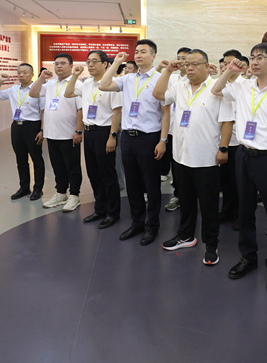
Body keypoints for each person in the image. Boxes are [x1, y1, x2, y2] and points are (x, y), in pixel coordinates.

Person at [211, 43, 267, 294]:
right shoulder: (243, 86)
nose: (255, 61)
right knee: (245, 210)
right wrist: (230, 70)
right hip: (244, 155)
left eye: (261, 57)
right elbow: (216, 89)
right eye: (252, 57)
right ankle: (248, 257)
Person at [153, 49, 234, 265]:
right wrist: (168, 71)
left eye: (195, 64)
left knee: (208, 206)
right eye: (187, 64)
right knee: (185, 200)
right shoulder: (180, 87)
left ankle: (211, 244)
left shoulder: (218, 88)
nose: (189, 68)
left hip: (206, 158)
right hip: (181, 155)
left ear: (207, 66)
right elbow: (158, 94)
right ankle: (186, 236)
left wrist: (224, 148)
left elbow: (227, 121)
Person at [98, 40, 169, 246]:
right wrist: (116, 62)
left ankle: (152, 226)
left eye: (143, 52)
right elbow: (103, 85)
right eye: (136, 52)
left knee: (151, 184)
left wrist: (163, 140)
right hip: (128, 138)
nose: (138, 55)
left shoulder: (160, 78)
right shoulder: (128, 79)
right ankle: (137, 222)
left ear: (153, 56)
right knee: (133, 184)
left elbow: (166, 113)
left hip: (150, 138)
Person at [64, 50, 122, 229]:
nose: (90, 65)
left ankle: (113, 213)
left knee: (107, 174)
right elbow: (68, 93)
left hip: (105, 132)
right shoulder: (87, 83)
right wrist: (74, 76)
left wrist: (112, 136)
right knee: (93, 173)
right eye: (88, 61)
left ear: (105, 64)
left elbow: (117, 112)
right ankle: (100, 209)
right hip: (89, 132)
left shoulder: (112, 84)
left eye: (94, 61)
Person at [28, 54, 84, 212]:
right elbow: (33, 93)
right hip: (52, 133)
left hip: (69, 134)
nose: (58, 66)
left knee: (72, 167)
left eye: (63, 63)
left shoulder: (77, 84)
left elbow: (81, 109)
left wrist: (78, 130)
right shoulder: (50, 84)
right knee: (57, 166)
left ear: (71, 66)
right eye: (56, 63)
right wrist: (41, 77)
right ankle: (61, 193)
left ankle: (74, 195)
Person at [0, 63, 45, 201]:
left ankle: (38, 189)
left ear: (32, 74)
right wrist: (0, 81)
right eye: (19, 72)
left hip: (33, 126)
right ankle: (24, 187)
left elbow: (43, 111)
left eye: (25, 72)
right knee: (20, 159)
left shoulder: (38, 89)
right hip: (17, 127)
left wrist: (42, 130)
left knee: (36, 159)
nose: (21, 75)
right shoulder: (13, 89)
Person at [163, 47, 191, 212]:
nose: (180, 61)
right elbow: (161, 96)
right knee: (176, 166)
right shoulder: (172, 78)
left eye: (184, 58)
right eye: (178, 57)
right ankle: (178, 195)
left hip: (190, 130)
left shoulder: (194, 79)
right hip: (173, 129)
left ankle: (190, 196)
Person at [218, 49, 244, 229]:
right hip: (222, 140)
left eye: (231, 63)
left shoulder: (245, 84)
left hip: (239, 141)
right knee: (225, 181)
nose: (228, 66)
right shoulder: (222, 84)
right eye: (225, 64)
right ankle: (227, 210)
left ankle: (239, 214)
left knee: (239, 183)